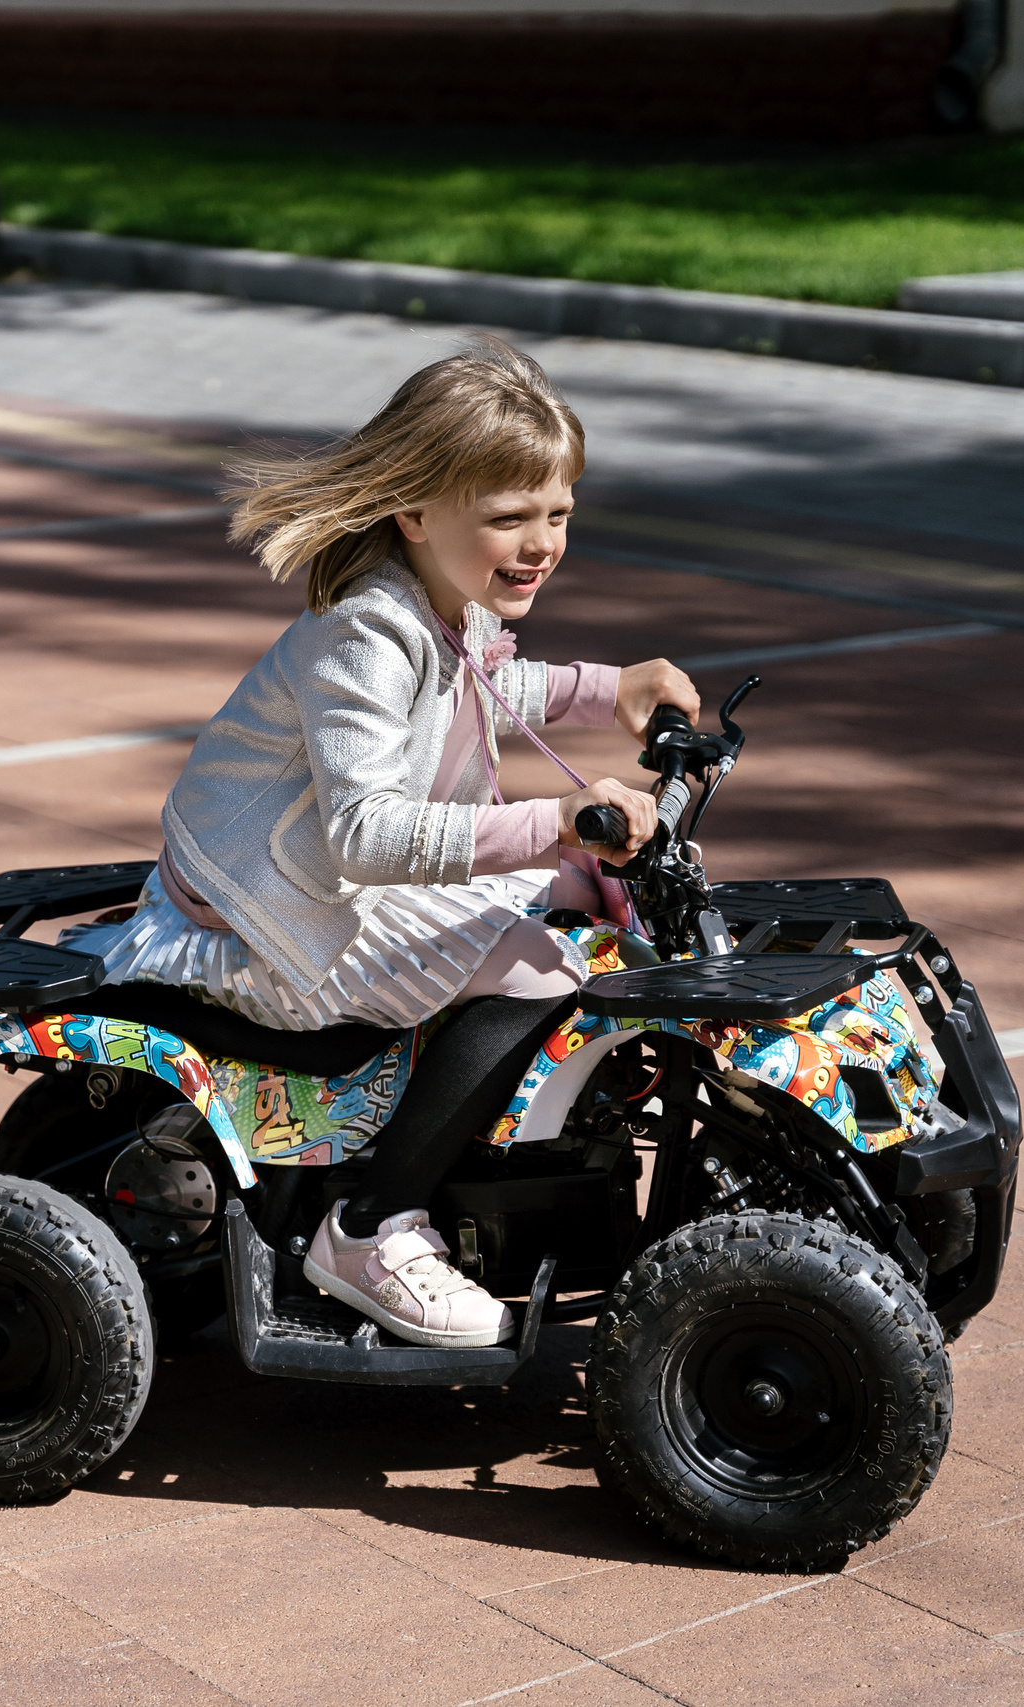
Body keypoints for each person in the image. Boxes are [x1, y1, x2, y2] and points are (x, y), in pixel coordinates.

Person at [69, 339, 697, 1348]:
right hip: (267, 912)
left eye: (558, 513)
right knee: (538, 968)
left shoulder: (439, 606)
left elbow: (485, 690)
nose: (540, 542)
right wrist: (560, 819)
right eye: (508, 518)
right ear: (415, 513)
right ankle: (368, 1228)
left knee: (577, 895)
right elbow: (367, 835)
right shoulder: (366, 630)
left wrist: (603, 688)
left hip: (314, 874)